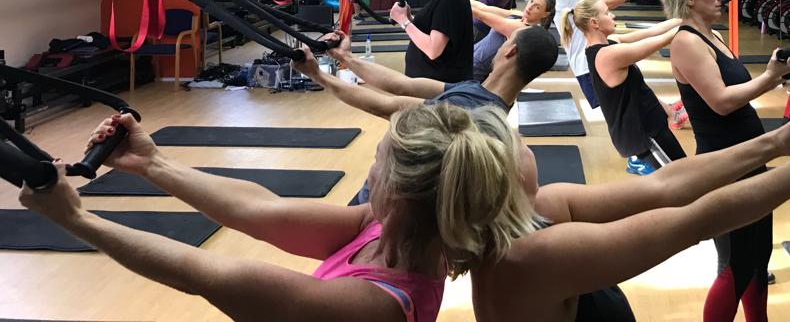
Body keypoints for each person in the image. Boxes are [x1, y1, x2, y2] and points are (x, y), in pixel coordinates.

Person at [19, 99, 536, 322]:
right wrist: (153, 164)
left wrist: (77, 220)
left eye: (377, 160)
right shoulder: (392, 229)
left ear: (398, 191)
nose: (370, 169)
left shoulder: (373, 307)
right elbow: (259, 210)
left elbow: (199, 272)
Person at [470, 111, 790, 321]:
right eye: (520, 142)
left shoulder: (539, 208)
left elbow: (665, 186)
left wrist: (774, 143)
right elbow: (699, 219)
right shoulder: (530, 257)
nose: (528, 146)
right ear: (506, 173)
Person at [294, 25, 559, 205]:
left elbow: (385, 106)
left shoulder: (468, 109)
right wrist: (346, 58)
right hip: (387, 198)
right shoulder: (478, 91)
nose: (501, 46)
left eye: (506, 41)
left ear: (510, 51)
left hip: (381, 206)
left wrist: (318, 76)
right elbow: (402, 85)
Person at [661, 0, 790, 322]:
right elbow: (720, 102)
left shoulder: (711, 36)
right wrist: (769, 78)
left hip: (748, 156)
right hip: (723, 165)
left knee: (758, 256)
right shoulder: (686, 42)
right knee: (735, 263)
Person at [568, 0, 685, 175]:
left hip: (652, 126)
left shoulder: (611, 41)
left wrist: (683, 18)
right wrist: (692, 23)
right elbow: (661, 40)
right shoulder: (607, 56)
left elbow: (653, 31)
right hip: (643, 135)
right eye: (607, 13)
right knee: (681, 178)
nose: (612, 16)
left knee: (684, 176)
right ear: (594, 23)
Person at [554, 0, 648, 108]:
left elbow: (605, 1)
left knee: (627, 102)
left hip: (598, 57)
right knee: (613, 110)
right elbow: (608, 2)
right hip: (585, 65)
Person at [471, 0, 557, 81]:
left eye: (537, 7)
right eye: (531, 1)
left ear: (545, 14)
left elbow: (480, 15)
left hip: (475, 70)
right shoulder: (520, 15)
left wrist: (461, 2)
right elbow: (484, 8)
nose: (530, 7)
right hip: (471, 61)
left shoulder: (522, 28)